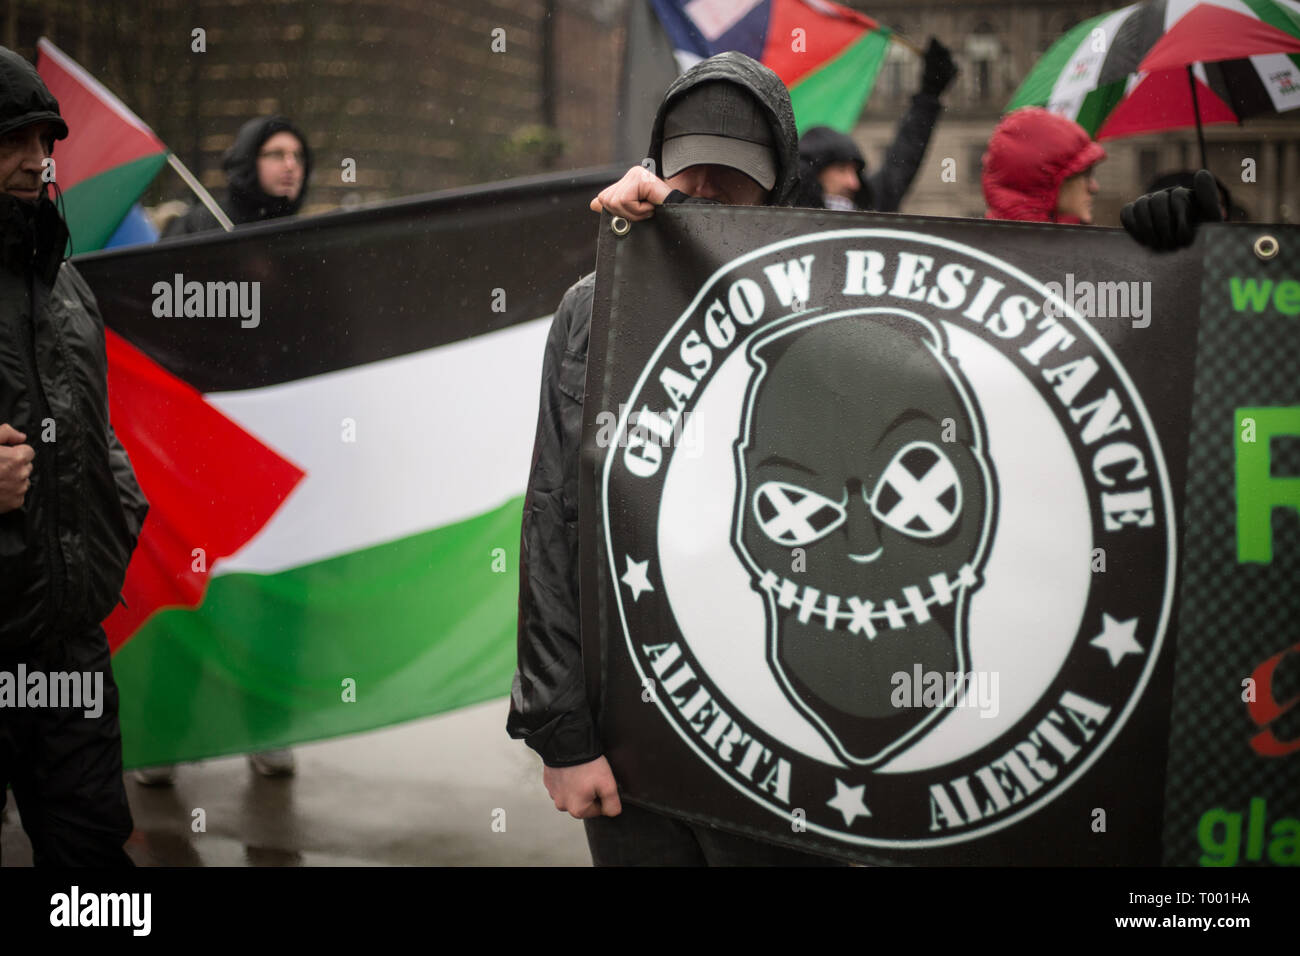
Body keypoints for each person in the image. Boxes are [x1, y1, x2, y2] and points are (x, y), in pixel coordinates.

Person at [507, 51, 838, 866]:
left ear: (781, 183)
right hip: (632, 750)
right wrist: (560, 732)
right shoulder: (595, 308)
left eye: (736, 176)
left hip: (790, 750)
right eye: (690, 170)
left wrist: (1174, 253)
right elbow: (555, 519)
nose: (709, 192)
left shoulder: (842, 307)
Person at [0, 45, 149, 866]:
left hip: (66, 649)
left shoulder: (64, 281)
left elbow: (94, 424)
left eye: (45, 138)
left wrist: (117, 513)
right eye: (13, 139)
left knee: (94, 870)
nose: (37, 159)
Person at [138, 113, 311, 785]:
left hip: (280, 451)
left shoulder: (310, 240)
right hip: (202, 452)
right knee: (195, 590)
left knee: (275, 600)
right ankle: (165, 739)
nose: (289, 165)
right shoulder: (197, 230)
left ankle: (266, 732)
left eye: (297, 154)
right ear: (245, 163)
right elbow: (161, 323)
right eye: (273, 152)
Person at [796, 37, 959, 212]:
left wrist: (929, 95)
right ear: (813, 174)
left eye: (856, 172)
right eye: (842, 170)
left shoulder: (869, 205)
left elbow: (902, 161)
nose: (854, 183)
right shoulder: (786, 215)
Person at [162, 114, 311, 237]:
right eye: (277, 154)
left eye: (298, 156)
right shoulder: (199, 226)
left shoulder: (308, 234)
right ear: (248, 161)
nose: (291, 165)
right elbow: (174, 274)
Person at [981, 106, 1106, 224]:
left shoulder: (1055, 240)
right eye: (1086, 175)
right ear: (1046, 181)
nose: (1094, 188)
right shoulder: (1036, 242)